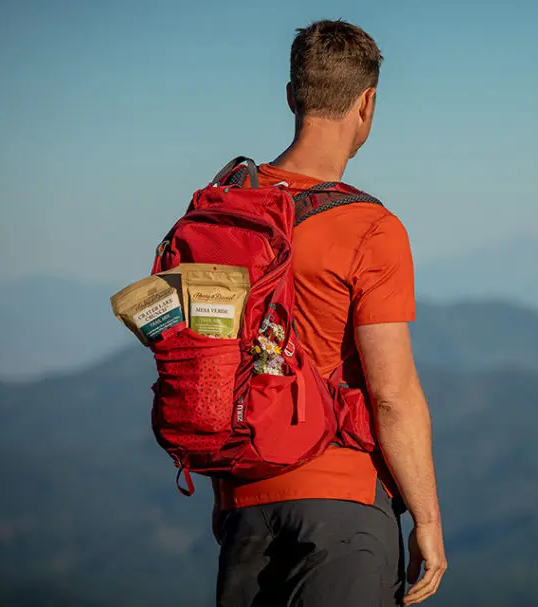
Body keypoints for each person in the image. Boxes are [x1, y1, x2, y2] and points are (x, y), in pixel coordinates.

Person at [212, 19, 446, 607]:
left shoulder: (226, 211)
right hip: (341, 505)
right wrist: (427, 518)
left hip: (242, 503)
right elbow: (392, 395)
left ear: (292, 95)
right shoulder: (372, 229)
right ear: (367, 105)